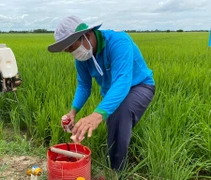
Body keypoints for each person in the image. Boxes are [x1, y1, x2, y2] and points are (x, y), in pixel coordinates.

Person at [47, 15, 155, 171]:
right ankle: (114, 160)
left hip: (140, 86)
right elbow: (84, 85)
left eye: (72, 48)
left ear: (87, 35)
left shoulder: (118, 42)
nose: (73, 53)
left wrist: (96, 115)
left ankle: (115, 171)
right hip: (113, 92)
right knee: (115, 121)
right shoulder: (83, 58)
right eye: (68, 51)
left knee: (120, 112)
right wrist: (73, 112)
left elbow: (122, 81)